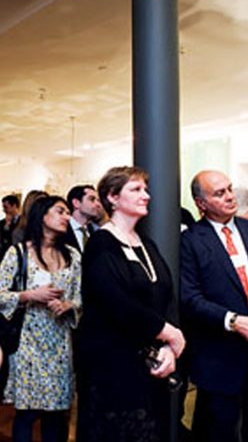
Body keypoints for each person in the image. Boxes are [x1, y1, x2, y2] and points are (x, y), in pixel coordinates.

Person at [76, 166, 185, 442]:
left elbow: (167, 296)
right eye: (136, 189)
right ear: (112, 198)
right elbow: (118, 305)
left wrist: (168, 348)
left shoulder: (145, 243)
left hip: (151, 363)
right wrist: (170, 334)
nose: (146, 195)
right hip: (113, 368)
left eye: (145, 189)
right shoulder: (101, 244)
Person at [180, 170, 248, 442]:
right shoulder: (190, 241)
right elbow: (189, 299)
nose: (230, 197)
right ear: (201, 203)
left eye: (230, 189)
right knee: (218, 431)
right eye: (219, 193)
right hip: (218, 357)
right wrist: (234, 321)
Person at [0, 196, 81, 442]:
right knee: (25, 414)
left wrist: (68, 306)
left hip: (60, 346)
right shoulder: (18, 253)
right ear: (42, 216)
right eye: (60, 211)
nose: (67, 216)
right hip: (27, 345)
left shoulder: (73, 256)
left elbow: (81, 299)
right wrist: (29, 295)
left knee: (56, 416)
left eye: (68, 212)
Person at [66, 184, 103, 253]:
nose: (98, 204)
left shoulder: (96, 232)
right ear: (76, 203)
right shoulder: (63, 229)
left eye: (98, 201)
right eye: (92, 199)